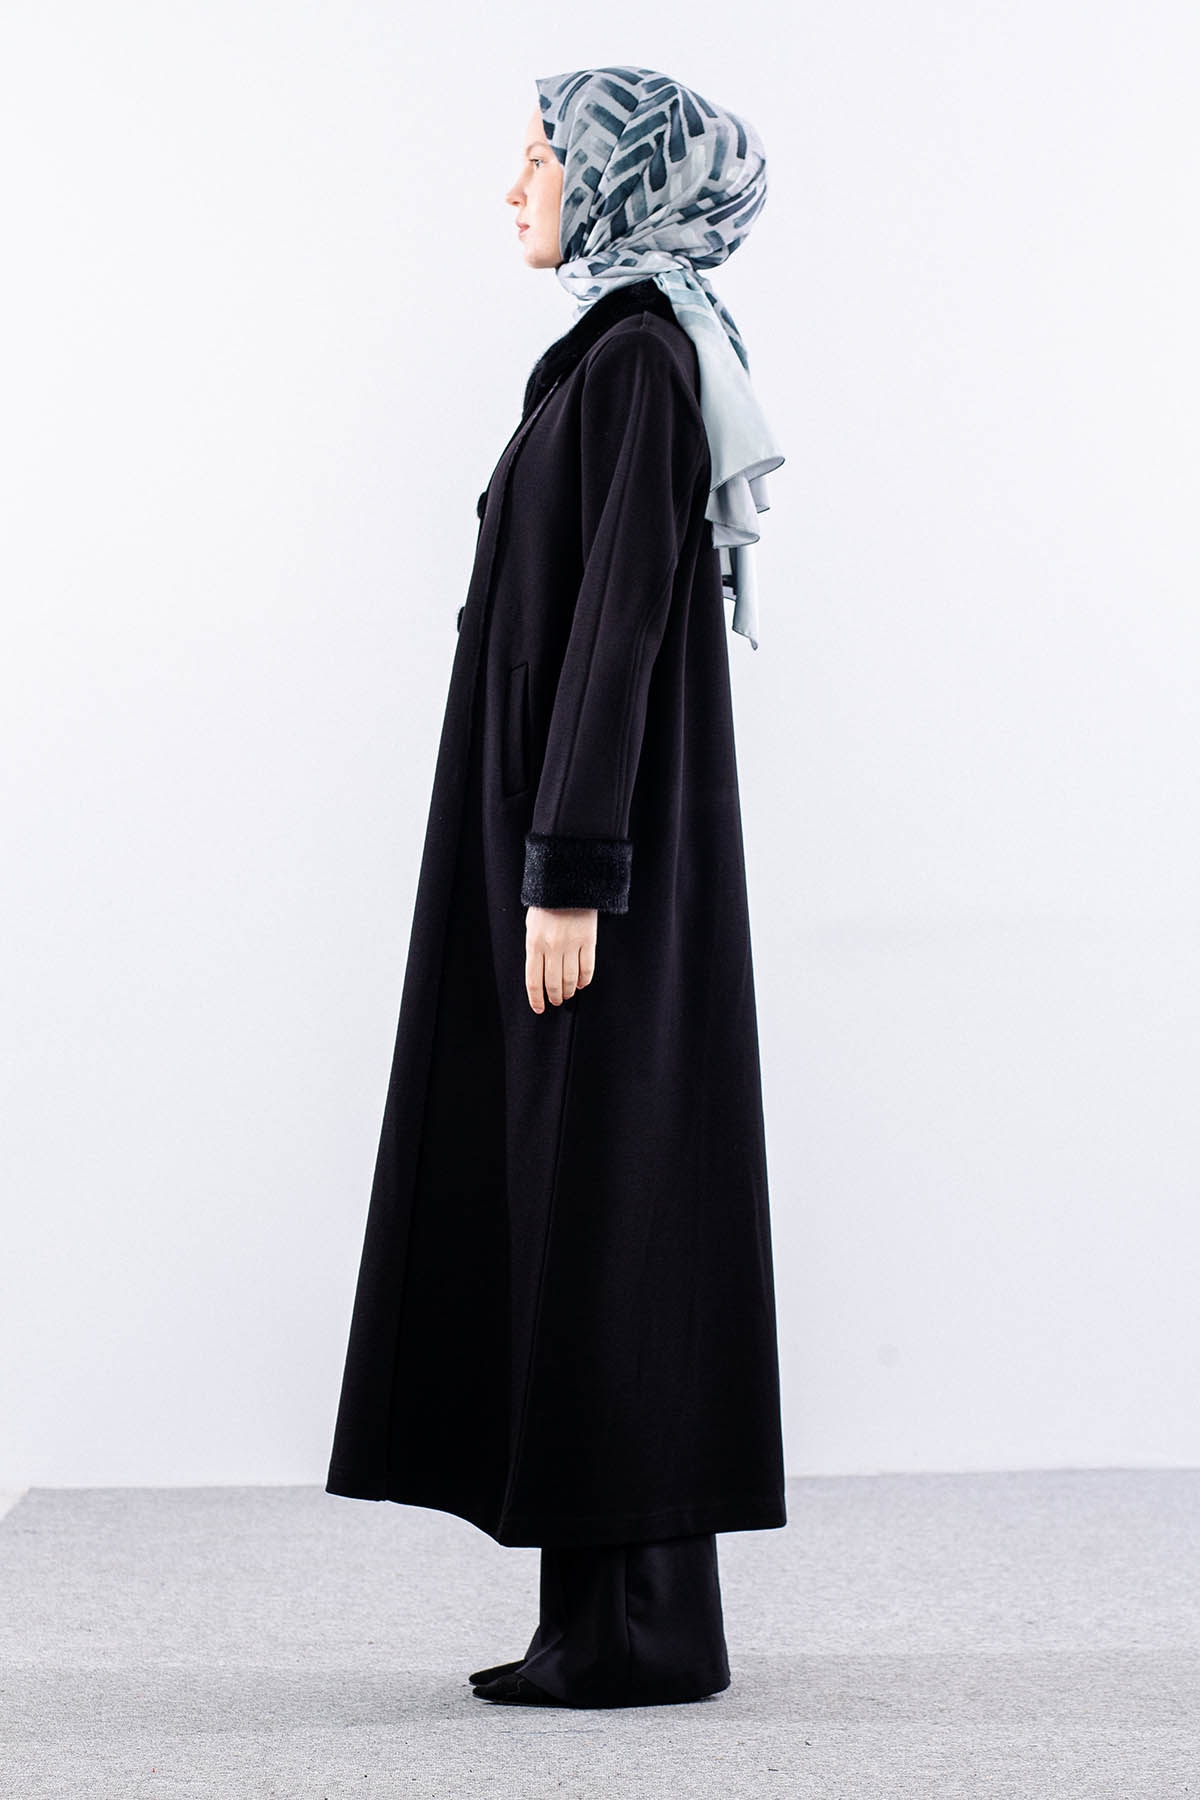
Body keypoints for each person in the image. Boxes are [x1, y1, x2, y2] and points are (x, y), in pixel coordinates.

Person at [325, 66, 788, 1710]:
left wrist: (572, 871)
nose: (515, 185)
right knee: (586, 1200)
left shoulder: (643, 362)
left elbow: (621, 626)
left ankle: (638, 1628)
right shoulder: (622, 353)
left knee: (609, 1202)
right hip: (560, 842)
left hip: (591, 862)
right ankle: (611, 1615)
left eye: (539, 156)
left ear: (621, 178)